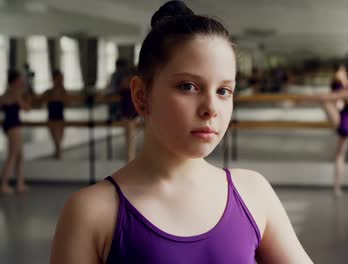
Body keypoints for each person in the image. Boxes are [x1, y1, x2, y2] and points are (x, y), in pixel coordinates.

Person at [50, 1, 313, 263]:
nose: (211, 108)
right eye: (188, 86)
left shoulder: (253, 193)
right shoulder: (92, 212)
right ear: (141, 96)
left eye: (223, 91)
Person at [0, 69, 31, 194]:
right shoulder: (15, 93)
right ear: (15, 81)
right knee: (13, 155)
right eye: (19, 80)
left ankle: (19, 183)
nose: (21, 82)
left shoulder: (6, 93)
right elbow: (26, 108)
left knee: (19, 155)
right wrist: (28, 99)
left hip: (8, 124)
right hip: (14, 126)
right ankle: (4, 185)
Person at [42, 69, 67, 159]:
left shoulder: (63, 91)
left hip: (60, 118)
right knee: (57, 143)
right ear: (54, 79)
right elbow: (42, 100)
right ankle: (58, 157)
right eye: (59, 78)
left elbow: (67, 103)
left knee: (59, 142)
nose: (61, 80)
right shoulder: (49, 92)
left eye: (62, 78)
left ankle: (58, 157)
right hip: (52, 118)